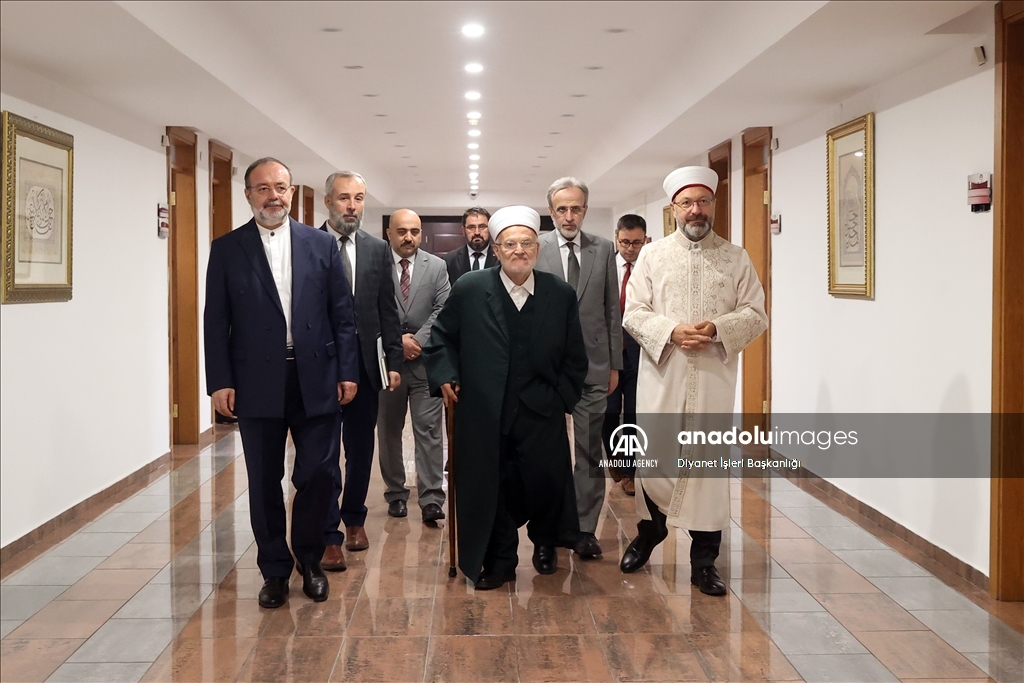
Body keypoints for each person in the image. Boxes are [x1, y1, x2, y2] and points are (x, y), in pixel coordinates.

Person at [204, 157, 359, 608]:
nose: (273, 196)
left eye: (281, 187)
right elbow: (215, 321)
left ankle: (309, 560)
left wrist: (347, 370)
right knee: (264, 479)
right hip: (256, 381)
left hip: (317, 376)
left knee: (318, 473)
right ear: (248, 194)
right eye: (263, 188)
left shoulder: (320, 244)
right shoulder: (227, 249)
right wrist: (219, 381)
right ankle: (274, 570)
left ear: (291, 192)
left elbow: (342, 315)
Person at [619, 166, 767, 596]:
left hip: (713, 378)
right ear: (674, 209)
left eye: (703, 201)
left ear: (714, 205)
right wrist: (671, 331)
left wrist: (718, 328)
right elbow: (634, 312)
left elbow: (755, 313)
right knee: (657, 457)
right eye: (687, 203)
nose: (696, 210)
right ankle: (651, 531)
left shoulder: (736, 257)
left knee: (706, 467)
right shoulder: (652, 256)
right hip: (663, 374)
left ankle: (704, 562)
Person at [425, 206, 588, 590]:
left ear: (538, 249)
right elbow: (442, 338)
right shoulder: (470, 288)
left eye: (527, 243)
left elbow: (575, 356)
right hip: (484, 410)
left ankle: (546, 543)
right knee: (492, 486)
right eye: (510, 244)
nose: (519, 251)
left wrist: (561, 399)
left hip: (541, 409)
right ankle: (500, 562)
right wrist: (446, 375)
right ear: (496, 250)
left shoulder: (559, 293)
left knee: (544, 482)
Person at [319, 171, 403, 571]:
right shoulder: (310, 244)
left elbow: (388, 308)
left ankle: (354, 519)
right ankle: (327, 533)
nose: (352, 206)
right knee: (322, 454)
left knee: (360, 448)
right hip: (321, 367)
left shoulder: (377, 249)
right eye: (343, 198)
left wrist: (394, 361)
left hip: (367, 367)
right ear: (328, 202)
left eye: (358, 198)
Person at [536, 177, 622, 560]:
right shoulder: (535, 247)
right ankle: (550, 526)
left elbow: (611, 310)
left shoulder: (602, 249)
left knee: (589, 450)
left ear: (585, 210)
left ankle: (584, 529)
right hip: (546, 369)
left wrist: (615, 364)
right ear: (551, 211)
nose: (569, 216)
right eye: (562, 209)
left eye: (576, 208)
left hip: (594, 365)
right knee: (546, 451)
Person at [377, 209, 451, 523]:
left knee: (430, 431)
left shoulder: (436, 266)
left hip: (425, 362)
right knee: (389, 431)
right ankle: (396, 494)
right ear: (389, 234)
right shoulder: (375, 264)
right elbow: (366, 308)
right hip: (387, 364)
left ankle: (432, 498)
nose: (409, 237)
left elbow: (443, 308)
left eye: (415, 231)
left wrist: (417, 340)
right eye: (402, 231)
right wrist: (397, 341)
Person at [602, 214, 647, 496]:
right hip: (608, 354)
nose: (630, 249)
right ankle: (614, 458)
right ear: (616, 239)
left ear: (645, 241)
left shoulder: (649, 269)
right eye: (625, 242)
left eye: (636, 243)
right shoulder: (606, 266)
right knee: (608, 413)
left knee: (632, 414)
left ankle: (630, 471)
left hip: (638, 354)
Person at [443, 207, 497, 284]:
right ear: (463, 231)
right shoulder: (449, 260)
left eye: (482, 226)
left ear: (490, 229)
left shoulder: (501, 258)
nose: (477, 232)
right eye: (471, 227)